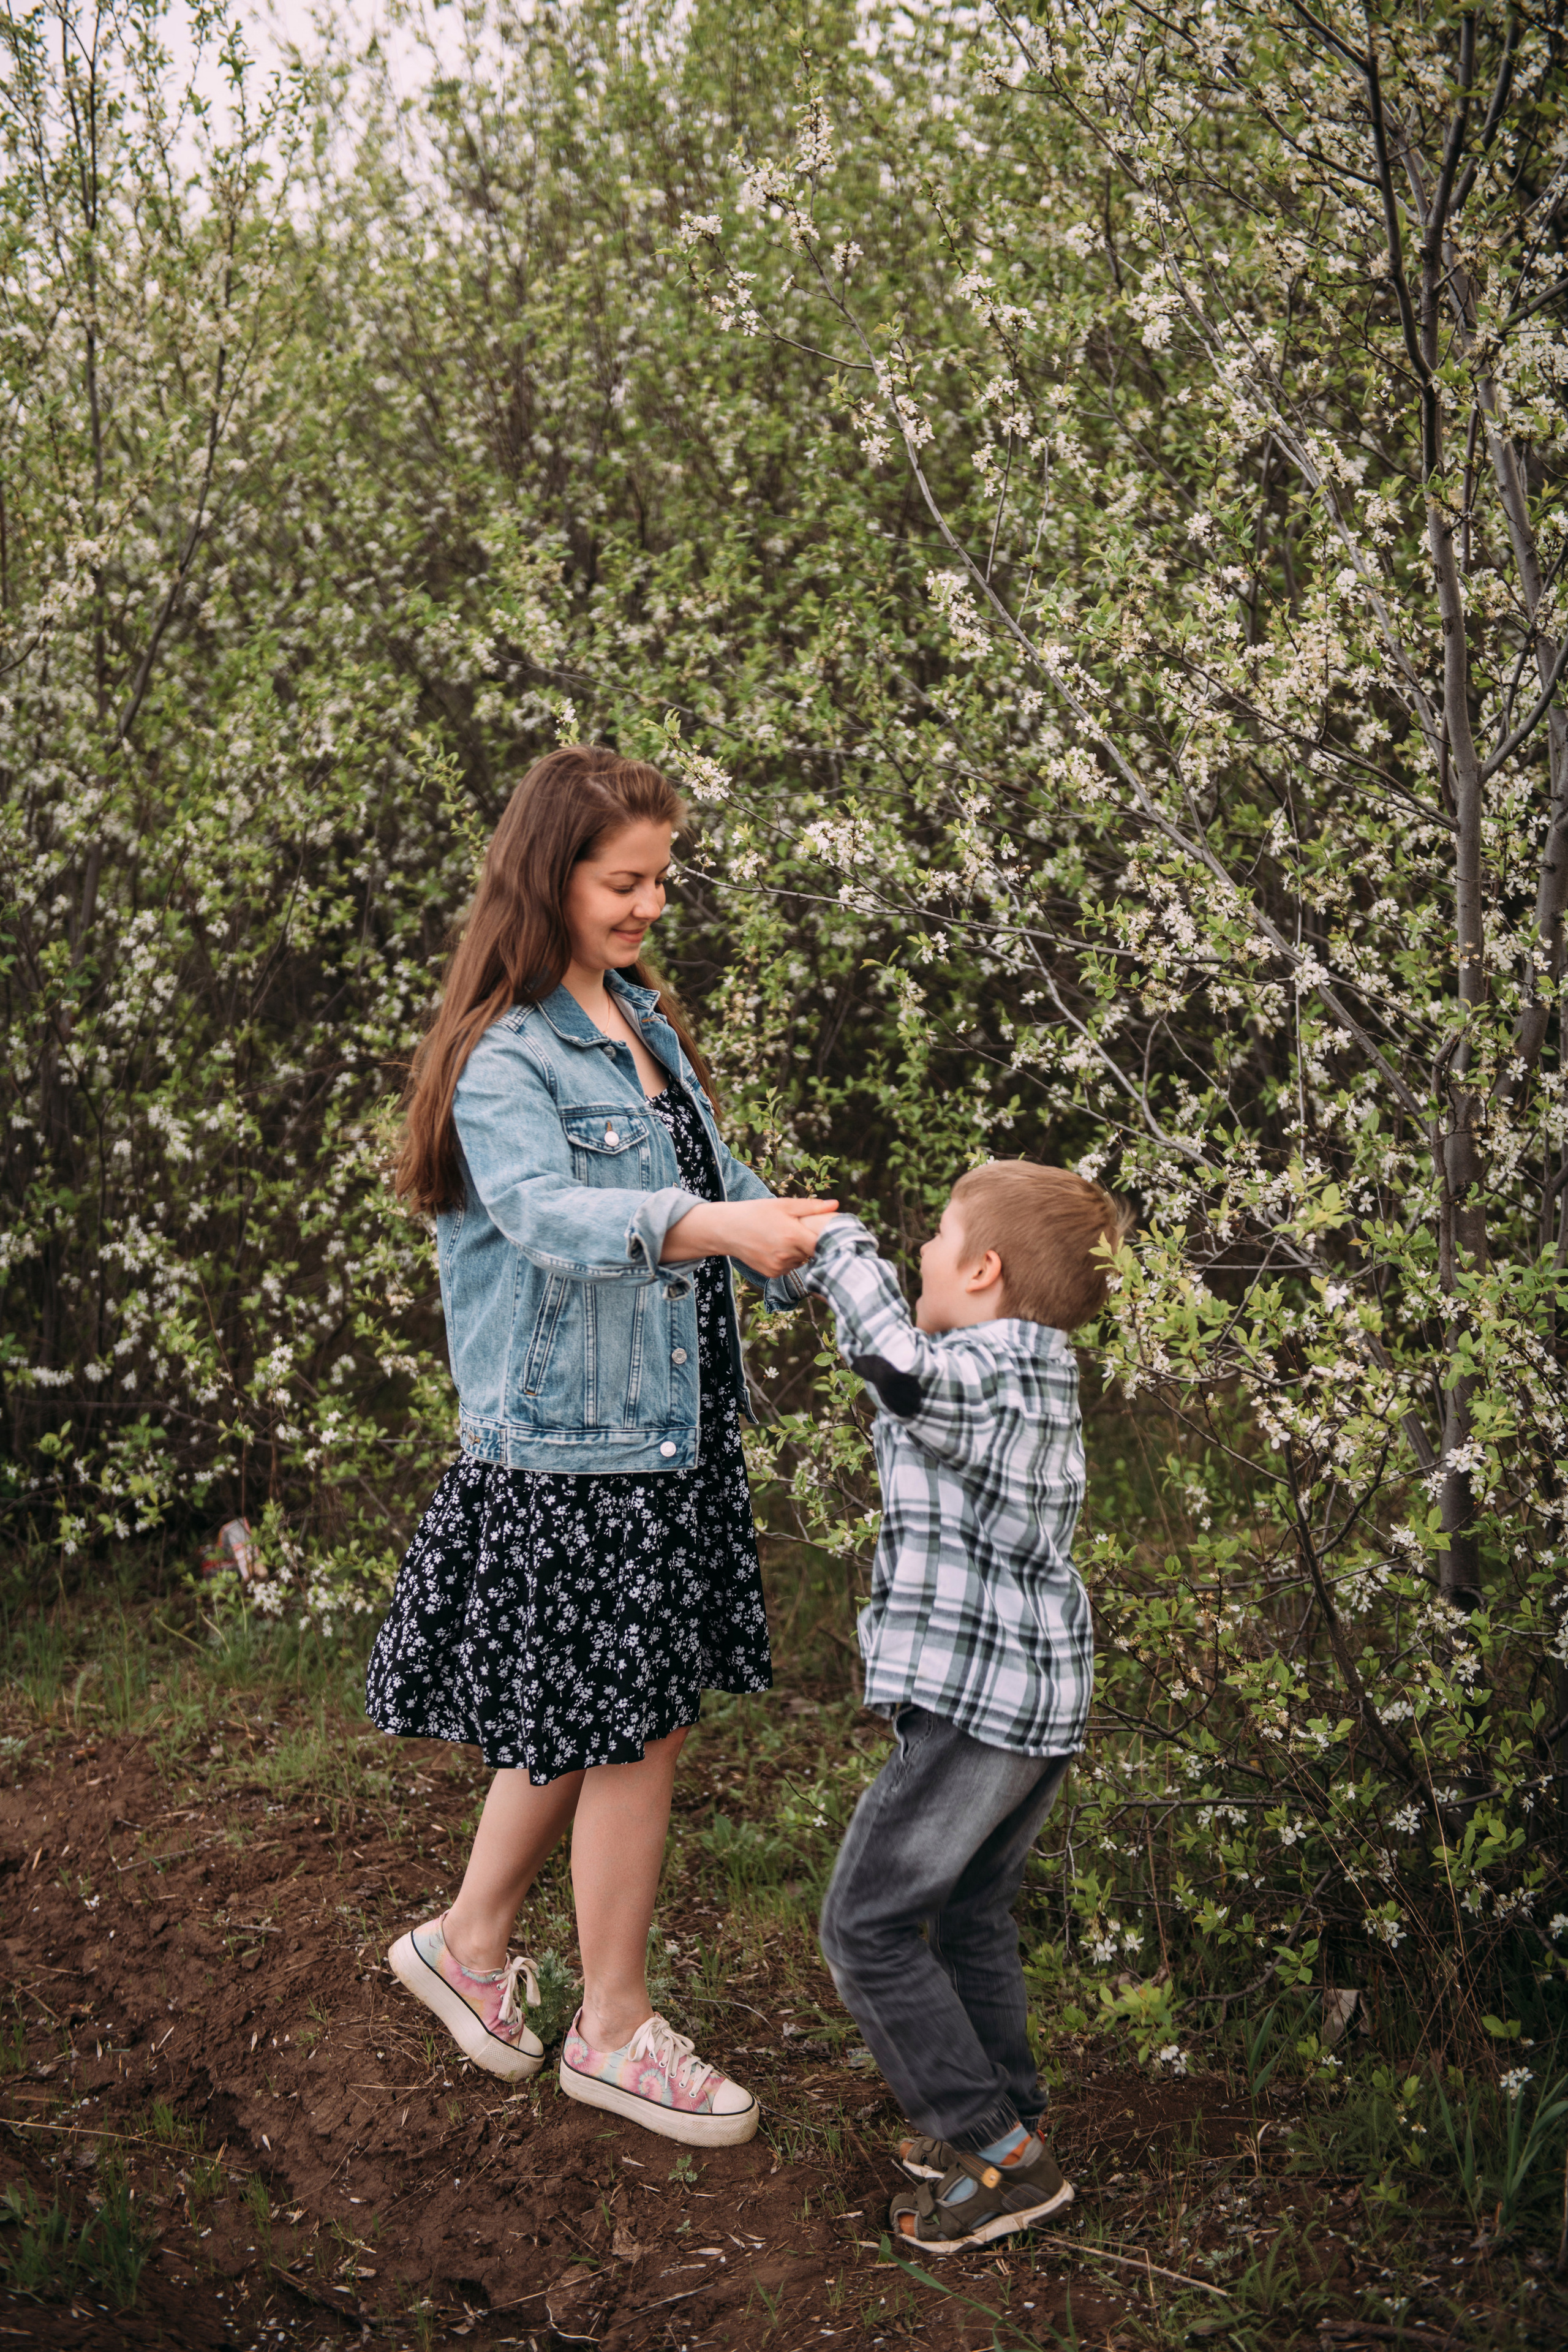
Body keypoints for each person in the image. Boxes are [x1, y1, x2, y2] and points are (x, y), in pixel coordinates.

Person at [366, 745, 835, 2148]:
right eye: (621, 882)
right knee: (629, 1728)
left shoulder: (635, 1013)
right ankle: (613, 2027)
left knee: (602, 1706)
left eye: (659, 882)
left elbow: (709, 1179)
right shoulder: (504, 1056)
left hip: (665, 1433)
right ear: (547, 876)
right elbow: (547, 1213)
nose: (646, 907)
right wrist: (708, 1229)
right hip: (575, 1448)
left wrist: (805, 1241)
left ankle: (466, 1942)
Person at [794, 1163, 1131, 2250]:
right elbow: (907, 1375)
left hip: (979, 1708)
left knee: (867, 1926)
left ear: (984, 1271)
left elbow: (897, 1369)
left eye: (936, 1237)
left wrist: (839, 1249)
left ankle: (996, 2153)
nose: (918, 1253)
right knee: (973, 1914)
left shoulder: (983, 1371)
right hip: (1036, 1704)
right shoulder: (1030, 1373)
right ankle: (1010, 2120)